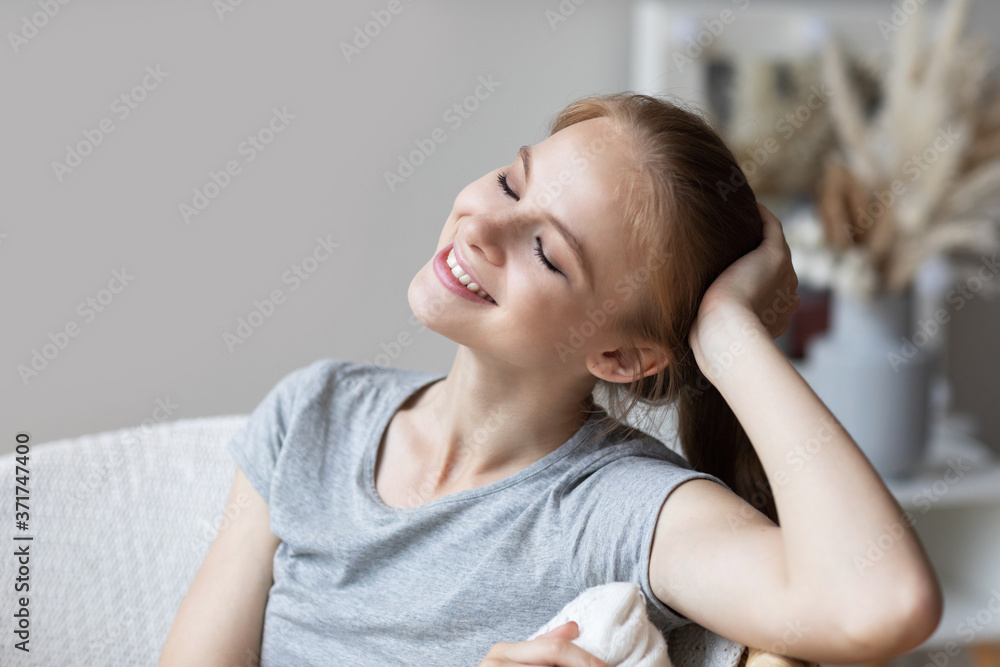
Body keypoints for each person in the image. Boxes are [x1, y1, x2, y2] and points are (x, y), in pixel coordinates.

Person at [159, 92, 943, 667]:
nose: (482, 224)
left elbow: (882, 601)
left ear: (623, 358)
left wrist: (730, 337)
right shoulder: (312, 413)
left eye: (547, 252)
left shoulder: (614, 510)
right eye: (512, 183)